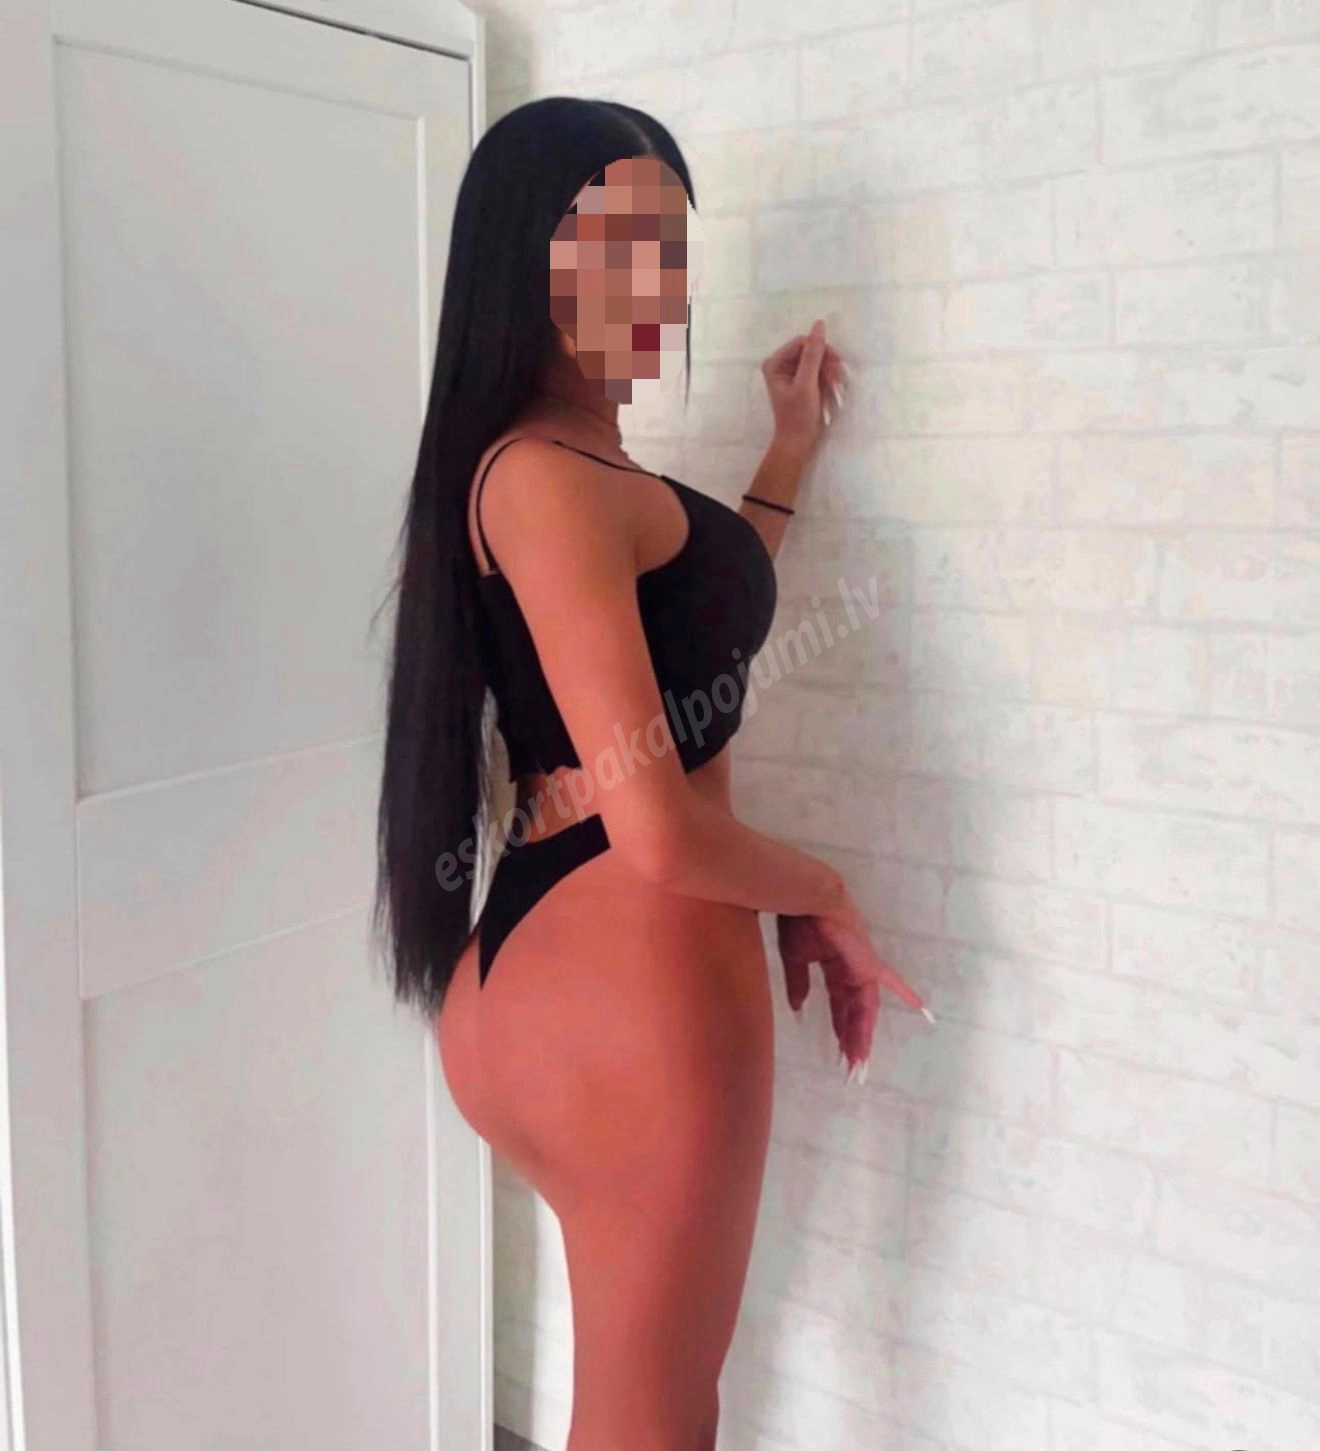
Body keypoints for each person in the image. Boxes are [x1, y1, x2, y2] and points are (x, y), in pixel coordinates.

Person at [372, 96, 932, 1451]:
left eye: (674, 252)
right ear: (529, 256)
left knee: (642, 1406)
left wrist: (786, 450)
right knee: (659, 1422)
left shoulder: (568, 467)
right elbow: (662, 833)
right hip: (631, 993)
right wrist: (821, 887)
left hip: (542, 986)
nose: (662, 289)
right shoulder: (543, 477)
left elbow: (698, 644)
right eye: (624, 248)